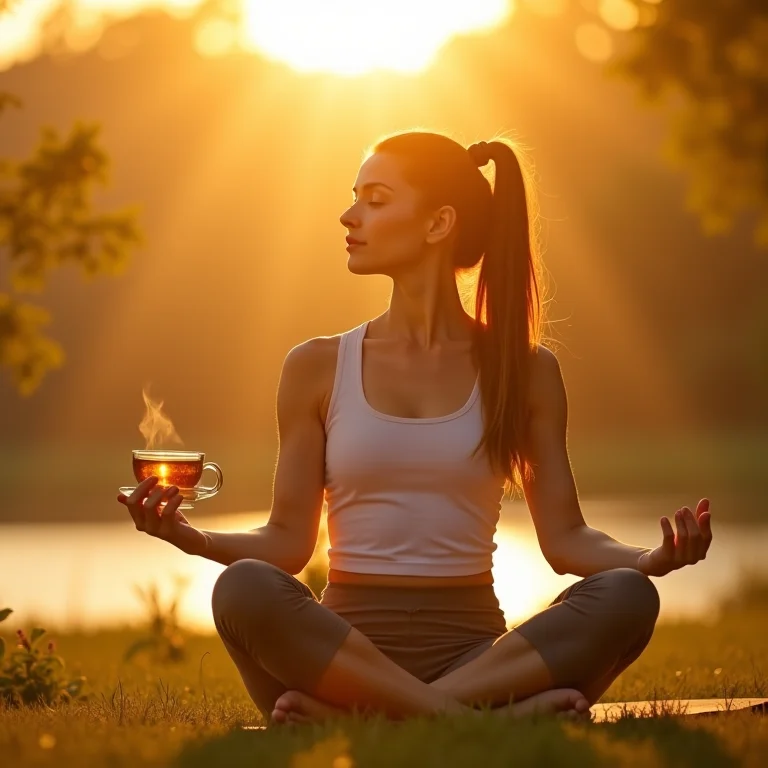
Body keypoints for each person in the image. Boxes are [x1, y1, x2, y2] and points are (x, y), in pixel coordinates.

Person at [118, 130, 713, 726]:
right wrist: (193, 540)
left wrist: (650, 558)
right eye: (356, 197)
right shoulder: (316, 367)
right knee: (244, 588)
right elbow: (287, 544)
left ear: (437, 224)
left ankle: (364, 718)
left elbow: (565, 541)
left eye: (376, 200)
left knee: (627, 597)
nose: (349, 215)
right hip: (343, 654)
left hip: (477, 653)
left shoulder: (526, 371)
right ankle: (477, 720)